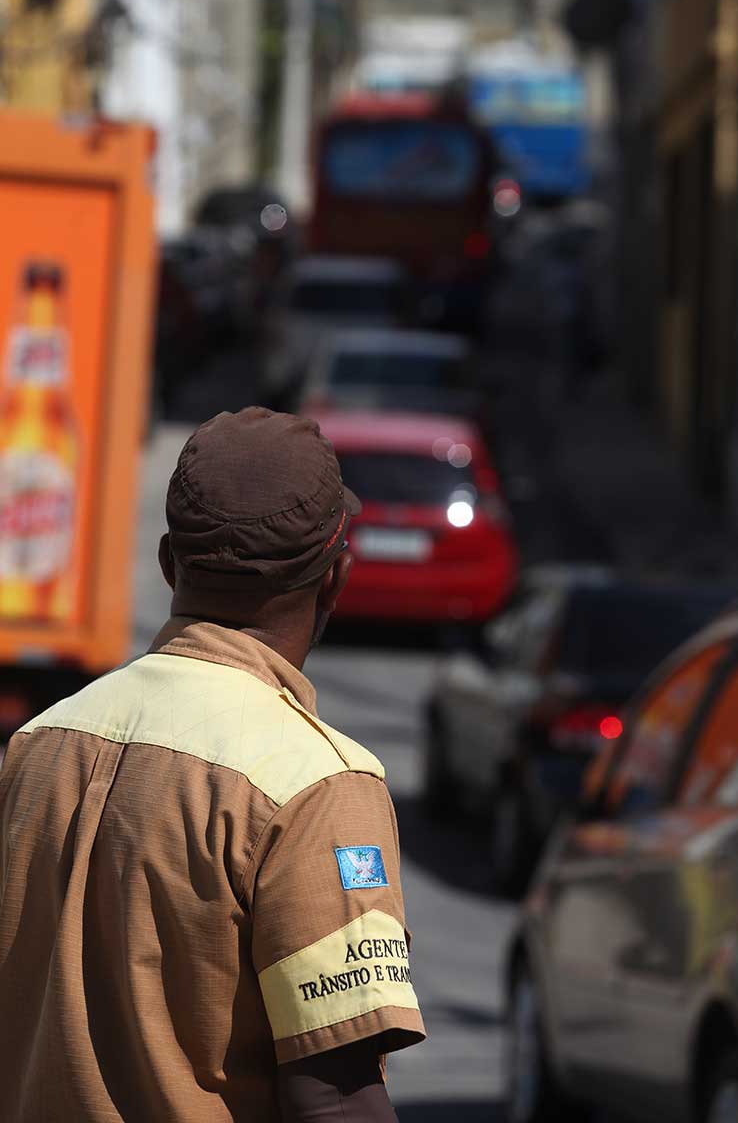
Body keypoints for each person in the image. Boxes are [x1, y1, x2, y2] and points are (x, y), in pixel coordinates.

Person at [0, 406, 425, 1122]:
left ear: (169, 565)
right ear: (336, 579)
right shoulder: (315, 785)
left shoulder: (37, 745)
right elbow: (336, 1094)